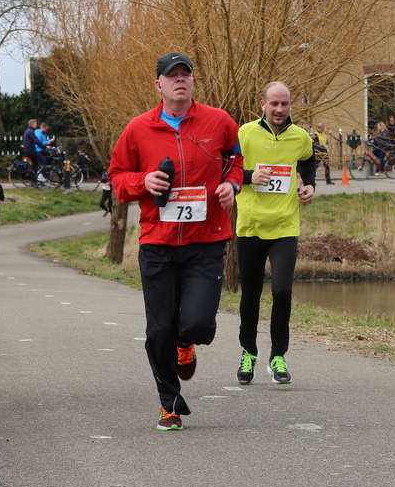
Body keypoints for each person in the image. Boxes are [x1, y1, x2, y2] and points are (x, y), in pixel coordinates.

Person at [108, 52, 242, 432]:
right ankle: (168, 403)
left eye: (186, 74)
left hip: (206, 241)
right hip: (158, 243)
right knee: (158, 330)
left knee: (197, 324)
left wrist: (232, 185)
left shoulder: (219, 121)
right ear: (159, 85)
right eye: (172, 75)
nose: (180, 79)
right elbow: (117, 177)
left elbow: (235, 160)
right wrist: (143, 182)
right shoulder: (138, 129)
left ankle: (187, 344)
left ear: (193, 82)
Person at [233, 81, 316, 387]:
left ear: (290, 105)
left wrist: (310, 185)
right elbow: (226, 167)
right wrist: (249, 176)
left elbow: (308, 160)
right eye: (274, 104)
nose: (279, 109)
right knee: (251, 294)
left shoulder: (300, 136)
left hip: (284, 226)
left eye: (284, 104)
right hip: (251, 226)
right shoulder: (245, 133)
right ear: (263, 105)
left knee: (282, 291)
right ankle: (248, 353)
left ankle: (278, 356)